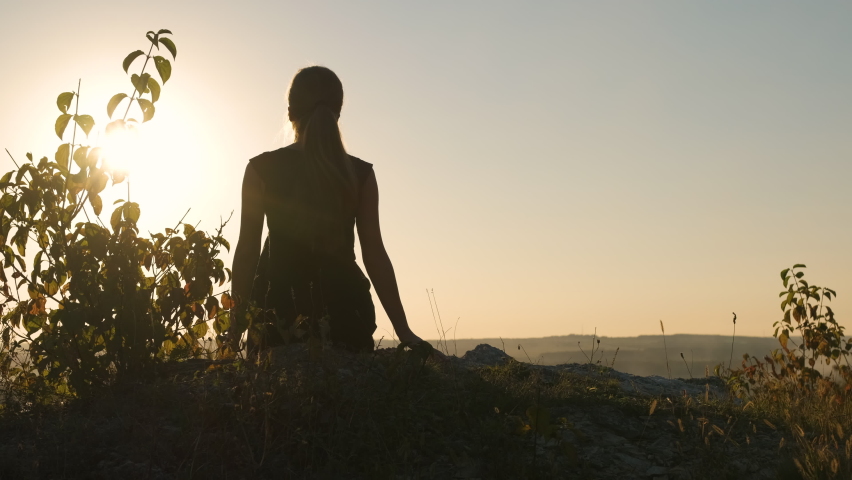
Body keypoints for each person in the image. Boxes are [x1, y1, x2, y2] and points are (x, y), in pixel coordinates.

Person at [231, 66, 426, 354]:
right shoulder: (360, 174)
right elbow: (374, 254)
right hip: (346, 318)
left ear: (290, 112)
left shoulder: (261, 170)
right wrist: (404, 331)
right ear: (339, 111)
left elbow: (247, 252)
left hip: (277, 320)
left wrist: (234, 331)